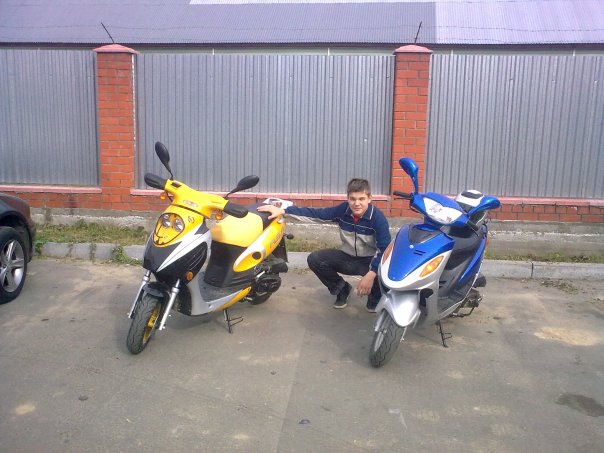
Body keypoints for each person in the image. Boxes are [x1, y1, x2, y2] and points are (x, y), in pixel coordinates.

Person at [258, 178, 391, 312]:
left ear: (369, 198)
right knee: (316, 259)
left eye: (361, 199)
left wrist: (371, 274)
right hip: (348, 257)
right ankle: (342, 289)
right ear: (348, 198)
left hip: (370, 260)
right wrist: (283, 211)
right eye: (352, 199)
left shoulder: (377, 219)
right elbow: (317, 214)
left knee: (385, 270)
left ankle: (375, 296)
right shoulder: (343, 210)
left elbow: (385, 250)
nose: (357, 203)